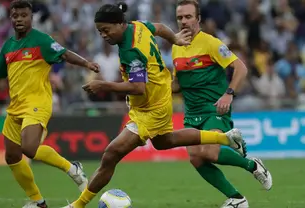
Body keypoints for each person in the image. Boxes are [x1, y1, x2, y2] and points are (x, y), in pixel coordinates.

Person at [62, 2, 248, 208]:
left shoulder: (130, 50)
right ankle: (225, 137)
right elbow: (159, 27)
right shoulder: (138, 26)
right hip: (158, 95)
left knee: (111, 154)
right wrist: (175, 38)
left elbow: (138, 88)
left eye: (106, 30)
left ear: (120, 24)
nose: (103, 36)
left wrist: (103, 85)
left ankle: (77, 205)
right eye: (99, 31)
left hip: (150, 108)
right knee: (163, 141)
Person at [0, 1, 100, 208]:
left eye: (23, 15)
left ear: (31, 17)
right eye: (15, 15)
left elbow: (64, 53)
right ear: (11, 18)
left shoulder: (41, 40)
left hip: (38, 102)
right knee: (12, 156)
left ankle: (72, 168)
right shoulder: (8, 46)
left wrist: (86, 63)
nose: (19, 19)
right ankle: (38, 203)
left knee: (29, 148)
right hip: (16, 106)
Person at [172, 1, 273, 207]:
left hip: (214, 108)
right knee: (196, 158)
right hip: (192, 112)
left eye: (188, 16)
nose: (184, 21)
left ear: (198, 19)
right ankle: (237, 199)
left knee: (208, 152)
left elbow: (241, 68)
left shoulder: (211, 43)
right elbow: (176, 84)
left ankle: (252, 165)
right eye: (180, 17)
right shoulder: (176, 47)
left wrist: (229, 94)